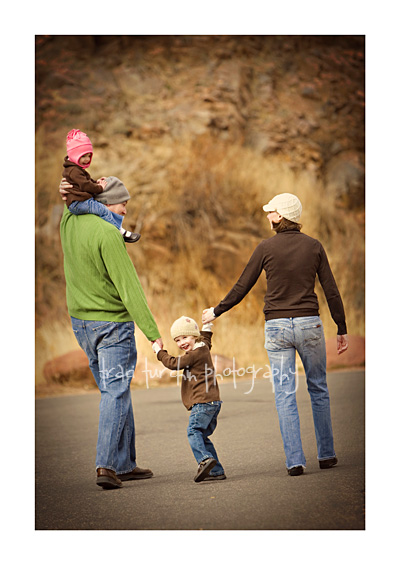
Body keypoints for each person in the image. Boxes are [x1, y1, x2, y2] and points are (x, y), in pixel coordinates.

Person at [202, 193, 349, 477]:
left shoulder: (266, 247)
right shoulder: (314, 246)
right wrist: (341, 327)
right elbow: (331, 289)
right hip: (309, 326)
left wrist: (217, 311)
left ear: (281, 216)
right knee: (318, 387)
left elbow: (242, 285)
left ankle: (295, 461)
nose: (268, 216)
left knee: (284, 394)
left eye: (271, 212)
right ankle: (327, 455)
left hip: (278, 327)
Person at [60, 176, 163, 490]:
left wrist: (66, 189)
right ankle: (106, 464)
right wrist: (153, 334)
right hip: (113, 327)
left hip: (82, 325)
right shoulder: (108, 233)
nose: (126, 210)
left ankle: (124, 464)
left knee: (115, 390)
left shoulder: (68, 222)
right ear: (105, 204)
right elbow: (130, 290)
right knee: (115, 392)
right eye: (123, 203)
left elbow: (70, 201)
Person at [152, 316, 226, 482]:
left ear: (194, 336)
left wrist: (159, 352)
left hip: (202, 402)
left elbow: (173, 363)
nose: (181, 343)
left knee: (193, 431)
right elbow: (207, 338)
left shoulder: (194, 354)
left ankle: (205, 460)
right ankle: (216, 471)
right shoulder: (204, 347)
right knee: (201, 436)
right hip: (213, 402)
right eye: (177, 340)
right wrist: (207, 326)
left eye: (185, 337)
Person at [63, 128, 140, 243]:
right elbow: (84, 185)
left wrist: (96, 182)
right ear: (74, 154)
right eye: (83, 156)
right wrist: (99, 188)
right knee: (102, 210)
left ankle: (119, 229)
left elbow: (86, 181)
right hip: (78, 203)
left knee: (99, 208)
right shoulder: (73, 171)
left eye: (89, 155)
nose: (87, 159)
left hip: (78, 201)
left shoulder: (75, 170)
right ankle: (119, 231)